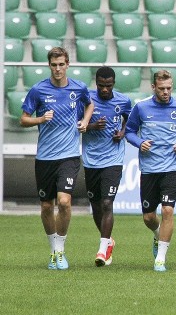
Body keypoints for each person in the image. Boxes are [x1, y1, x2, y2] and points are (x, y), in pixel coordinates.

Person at [20, 47, 94, 270]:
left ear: (68, 64)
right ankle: (53, 249)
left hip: (69, 156)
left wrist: (85, 122)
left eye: (61, 64)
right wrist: (41, 119)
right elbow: (23, 119)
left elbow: (90, 104)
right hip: (45, 157)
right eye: (54, 65)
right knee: (45, 206)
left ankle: (60, 251)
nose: (58, 69)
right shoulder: (38, 90)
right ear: (49, 66)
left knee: (64, 201)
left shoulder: (78, 88)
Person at [125, 70, 176, 272]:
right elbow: (129, 131)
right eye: (162, 88)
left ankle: (161, 259)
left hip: (172, 167)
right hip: (149, 169)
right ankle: (158, 235)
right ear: (153, 87)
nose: (166, 92)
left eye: (169, 88)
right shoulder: (141, 107)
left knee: (167, 210)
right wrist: (140, 143)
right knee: (148, 217)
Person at [82, 66, 131, 267]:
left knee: (107, 203)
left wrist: (123, 132)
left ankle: (102, 250)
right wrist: (92, 126)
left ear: (114, 83)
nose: (104, 89)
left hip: (113, 160)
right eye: (101, 85)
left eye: (108, 86)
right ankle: (108, 240)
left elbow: (130, 120)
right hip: (91, 159)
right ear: (96, 83)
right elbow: (78, 123)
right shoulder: (87, 100)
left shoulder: (123, 100)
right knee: (95, 205)